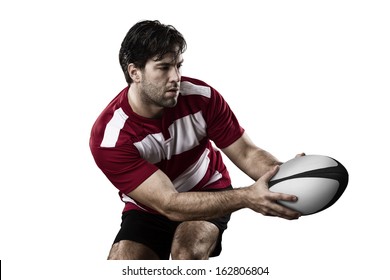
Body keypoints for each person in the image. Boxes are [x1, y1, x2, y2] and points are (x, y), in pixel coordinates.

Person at [89, 20, 301, 260]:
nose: (176, 77)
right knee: (125, 264)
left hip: (208, 189)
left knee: (187, 254)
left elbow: (246, 153)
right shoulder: (110, 138)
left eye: (178, 65)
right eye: (164, 67)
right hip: (151, 206)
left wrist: (288, 176)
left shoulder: (202, 99)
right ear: (134, 72)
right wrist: (247, 197)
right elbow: (168, 203)